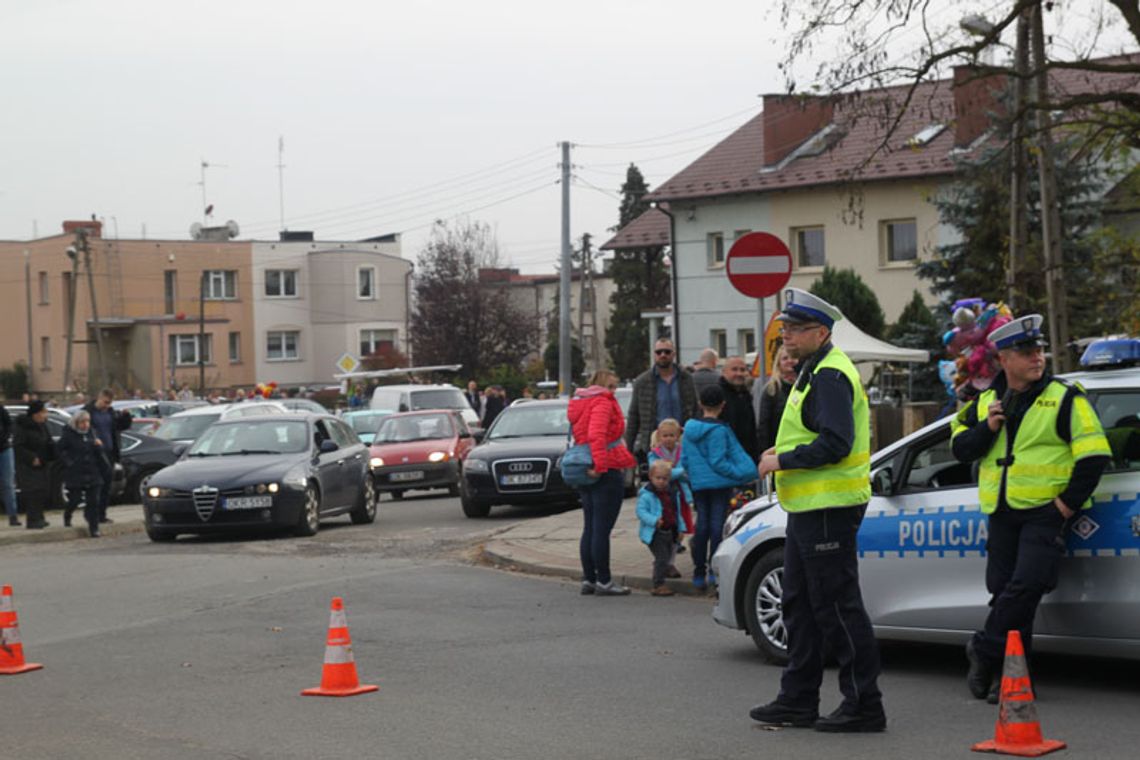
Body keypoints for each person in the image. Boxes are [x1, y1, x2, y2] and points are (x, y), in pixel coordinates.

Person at [951, 314, 1110, 704]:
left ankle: (983, 649)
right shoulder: (985, 402)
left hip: (1045, 511)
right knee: (1006, 594)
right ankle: (1012, 680)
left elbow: (1094, 457)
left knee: (1027, 586)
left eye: (1039, 350)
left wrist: (1062, 507)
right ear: (1003, 359)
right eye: (1026, 352)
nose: (1037, 357)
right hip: (1002, 511)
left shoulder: (1065, 397)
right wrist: (985, 429)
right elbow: (958, 448)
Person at [751, 287, 885, 733]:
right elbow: (815, 433)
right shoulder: (813, 370)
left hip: (829, 507)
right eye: (785, 327)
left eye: (795, 328)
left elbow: (835, 442)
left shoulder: (829, 374)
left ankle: (864, 705)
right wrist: (783, 448)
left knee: (836, 607)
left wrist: (781, 460)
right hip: (810, 508)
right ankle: (797, 699)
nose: (785, 334)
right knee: (800, 605)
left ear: (820, 332)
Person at [681, 384, 757, 592]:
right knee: (716, 527)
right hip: (719, 484)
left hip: (698, 485)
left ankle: (698, 573)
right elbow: (718, 461)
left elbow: (684, 459)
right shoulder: (719, 430)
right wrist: (739, 474)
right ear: (722, 405)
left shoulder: (688, 429)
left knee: (701, 526)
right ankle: (714, 572)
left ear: (700, 404)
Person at [568, 369, 637, 596]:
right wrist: (599, 466)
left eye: (615, 386)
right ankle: (604, 580)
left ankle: (589, 578)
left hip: (584, 467)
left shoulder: (581, 402)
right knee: (601, 529)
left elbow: (581, 436)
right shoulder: (602, 403)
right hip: (604, 469)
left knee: (590, 526)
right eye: (611, 386)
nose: (613, 391)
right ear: (600, 385)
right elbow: (596, 435)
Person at [625, 338, 698, 463]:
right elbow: (634, 416)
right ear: (654, 355)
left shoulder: (686, 378)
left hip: (683, 443)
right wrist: (628, 450)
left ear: (673, 354)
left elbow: (695, 409)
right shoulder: (642, 381)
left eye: (667, 352)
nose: (663, 355)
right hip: (654, 445)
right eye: (659, 352)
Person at [635, 460, 690, 596]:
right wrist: (654, 520)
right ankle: (658, 584)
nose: (661, 481)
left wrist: (681, 529)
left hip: (670, 530)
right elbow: (641, 512)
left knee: (669, 555)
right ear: (651, 477)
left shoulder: (672, 493)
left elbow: (677, 513)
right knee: (662, 557)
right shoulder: (647, 495)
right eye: (658, 478)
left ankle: (663, 573)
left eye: (664, 478)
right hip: (655, 532)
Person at [648, 418, 694, 564]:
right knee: (663, 527)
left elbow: (687, 472)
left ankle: (671, 560)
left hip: (680, 495)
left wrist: (670, 471)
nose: (668, 439)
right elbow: (656, 472)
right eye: (665, 435)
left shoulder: (682, 451)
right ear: (659, 436)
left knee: (679, 528)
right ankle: (662, 558)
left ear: (677, 436)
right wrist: (676, 472)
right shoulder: (654, 454)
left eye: (672, 435)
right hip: (660, 496)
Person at [83, 388, 132, 524]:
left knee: (106, 486)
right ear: (99, 397)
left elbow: (120, 427)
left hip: (109, 454)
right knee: (94, 486)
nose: (107, 405)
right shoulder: (87, 412)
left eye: (110, 403)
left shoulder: (110, 413)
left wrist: (126, 417)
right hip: (94, 454)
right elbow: (81, 431)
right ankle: (91, 514)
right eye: (105, 402)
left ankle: (101, 514)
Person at [58, 410, 105, 537]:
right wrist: (69, 462)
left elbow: (99, 453)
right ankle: (68, 514)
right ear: (76, 423)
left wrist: (99, 446)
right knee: (75, 499)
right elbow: (60, 451)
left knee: (93, 501)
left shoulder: (92, 433)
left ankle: (94, 527)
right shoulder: (68, 435)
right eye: (82, 422)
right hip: (76, 472)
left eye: (87, 421)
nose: (85, 425)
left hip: (92, 471)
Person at [13, 401, 55, 529]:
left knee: (42, 490)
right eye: (43, 412)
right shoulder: (23, 427)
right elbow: (18, 446)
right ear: (36, 414)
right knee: (33, 492)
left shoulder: (42, 426)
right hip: (28, 465)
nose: (45, 415)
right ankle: (32, 520)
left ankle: (39, 517)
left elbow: (48, 441)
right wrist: (31, 458)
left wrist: (52, 452)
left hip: (42, 463)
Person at [718, 355, 760, 462]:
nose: (739, 373)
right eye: (734, 369)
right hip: (725, 457)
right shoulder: (717, 395)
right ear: (724, 372)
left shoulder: (746, 395)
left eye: (742, 370)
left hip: (745, 455)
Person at [757, 345, 797, 453]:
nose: (790, 361)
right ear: (778, 364)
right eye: (785, 358)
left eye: (793, 357)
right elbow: (764, 425)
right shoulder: (771, 390)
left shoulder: (807, 386)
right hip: (777, 447)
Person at [0, 405, 19, 526]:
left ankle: (13, 515)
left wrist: (5, 437)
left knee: (8, 484)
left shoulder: (1, 409)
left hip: (4, 449)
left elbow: (9, 424)